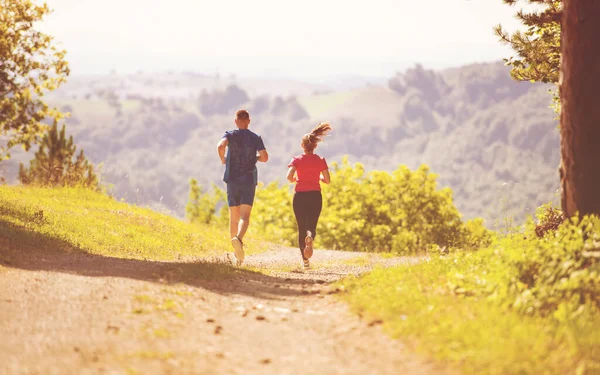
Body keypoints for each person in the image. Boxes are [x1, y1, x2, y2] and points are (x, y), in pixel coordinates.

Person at [217, 109, 268, 265]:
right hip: (248, 180)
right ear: (248, 121)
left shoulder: (230, 135)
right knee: (244, 216)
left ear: (236, 121)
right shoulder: (255, 138)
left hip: (232, 180)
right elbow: (265, 157)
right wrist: (255, 157)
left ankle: (236, 253)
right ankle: (238, 239)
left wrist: (223, 159)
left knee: (234, 217)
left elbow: (220, 146)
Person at [286, 122, 332, 269]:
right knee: (311, 225)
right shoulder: (320, 160)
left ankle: (305, 261)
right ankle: (310, 237)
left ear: (302, 146)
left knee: (301, 227)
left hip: (299, 196)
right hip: (315, 196)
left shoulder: (296, 160)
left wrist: (295, 179)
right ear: (315, 146)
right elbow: (327, 180)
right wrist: (318, 178)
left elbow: (289, 176)